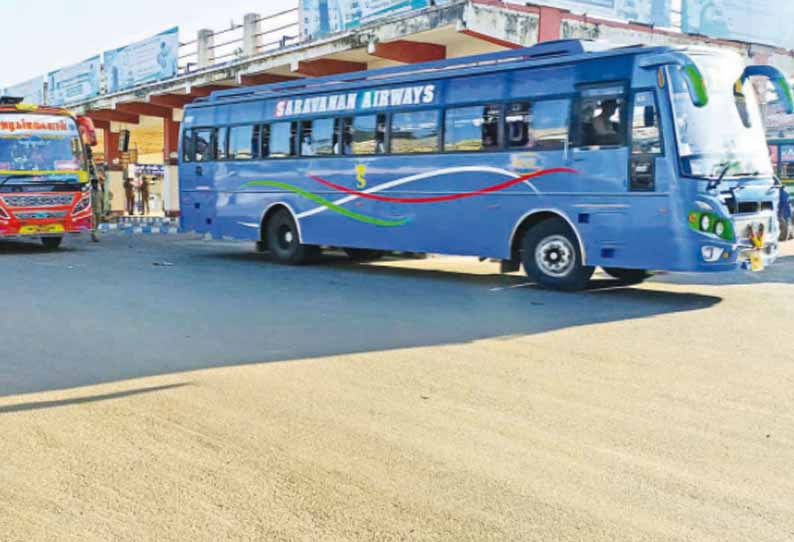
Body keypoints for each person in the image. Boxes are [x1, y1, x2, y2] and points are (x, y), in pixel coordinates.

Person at [91, 173, 104, 242]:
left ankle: (94, 232)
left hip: (98, 209)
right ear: (92, 185)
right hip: (92, 210)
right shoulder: (90, 192)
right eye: (94, 184)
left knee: (98, 222)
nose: (95, 185)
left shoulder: (99, 191)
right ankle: (94, 235)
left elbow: (101, 200)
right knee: (94, 223)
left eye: (96, 184)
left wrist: (103, 208)